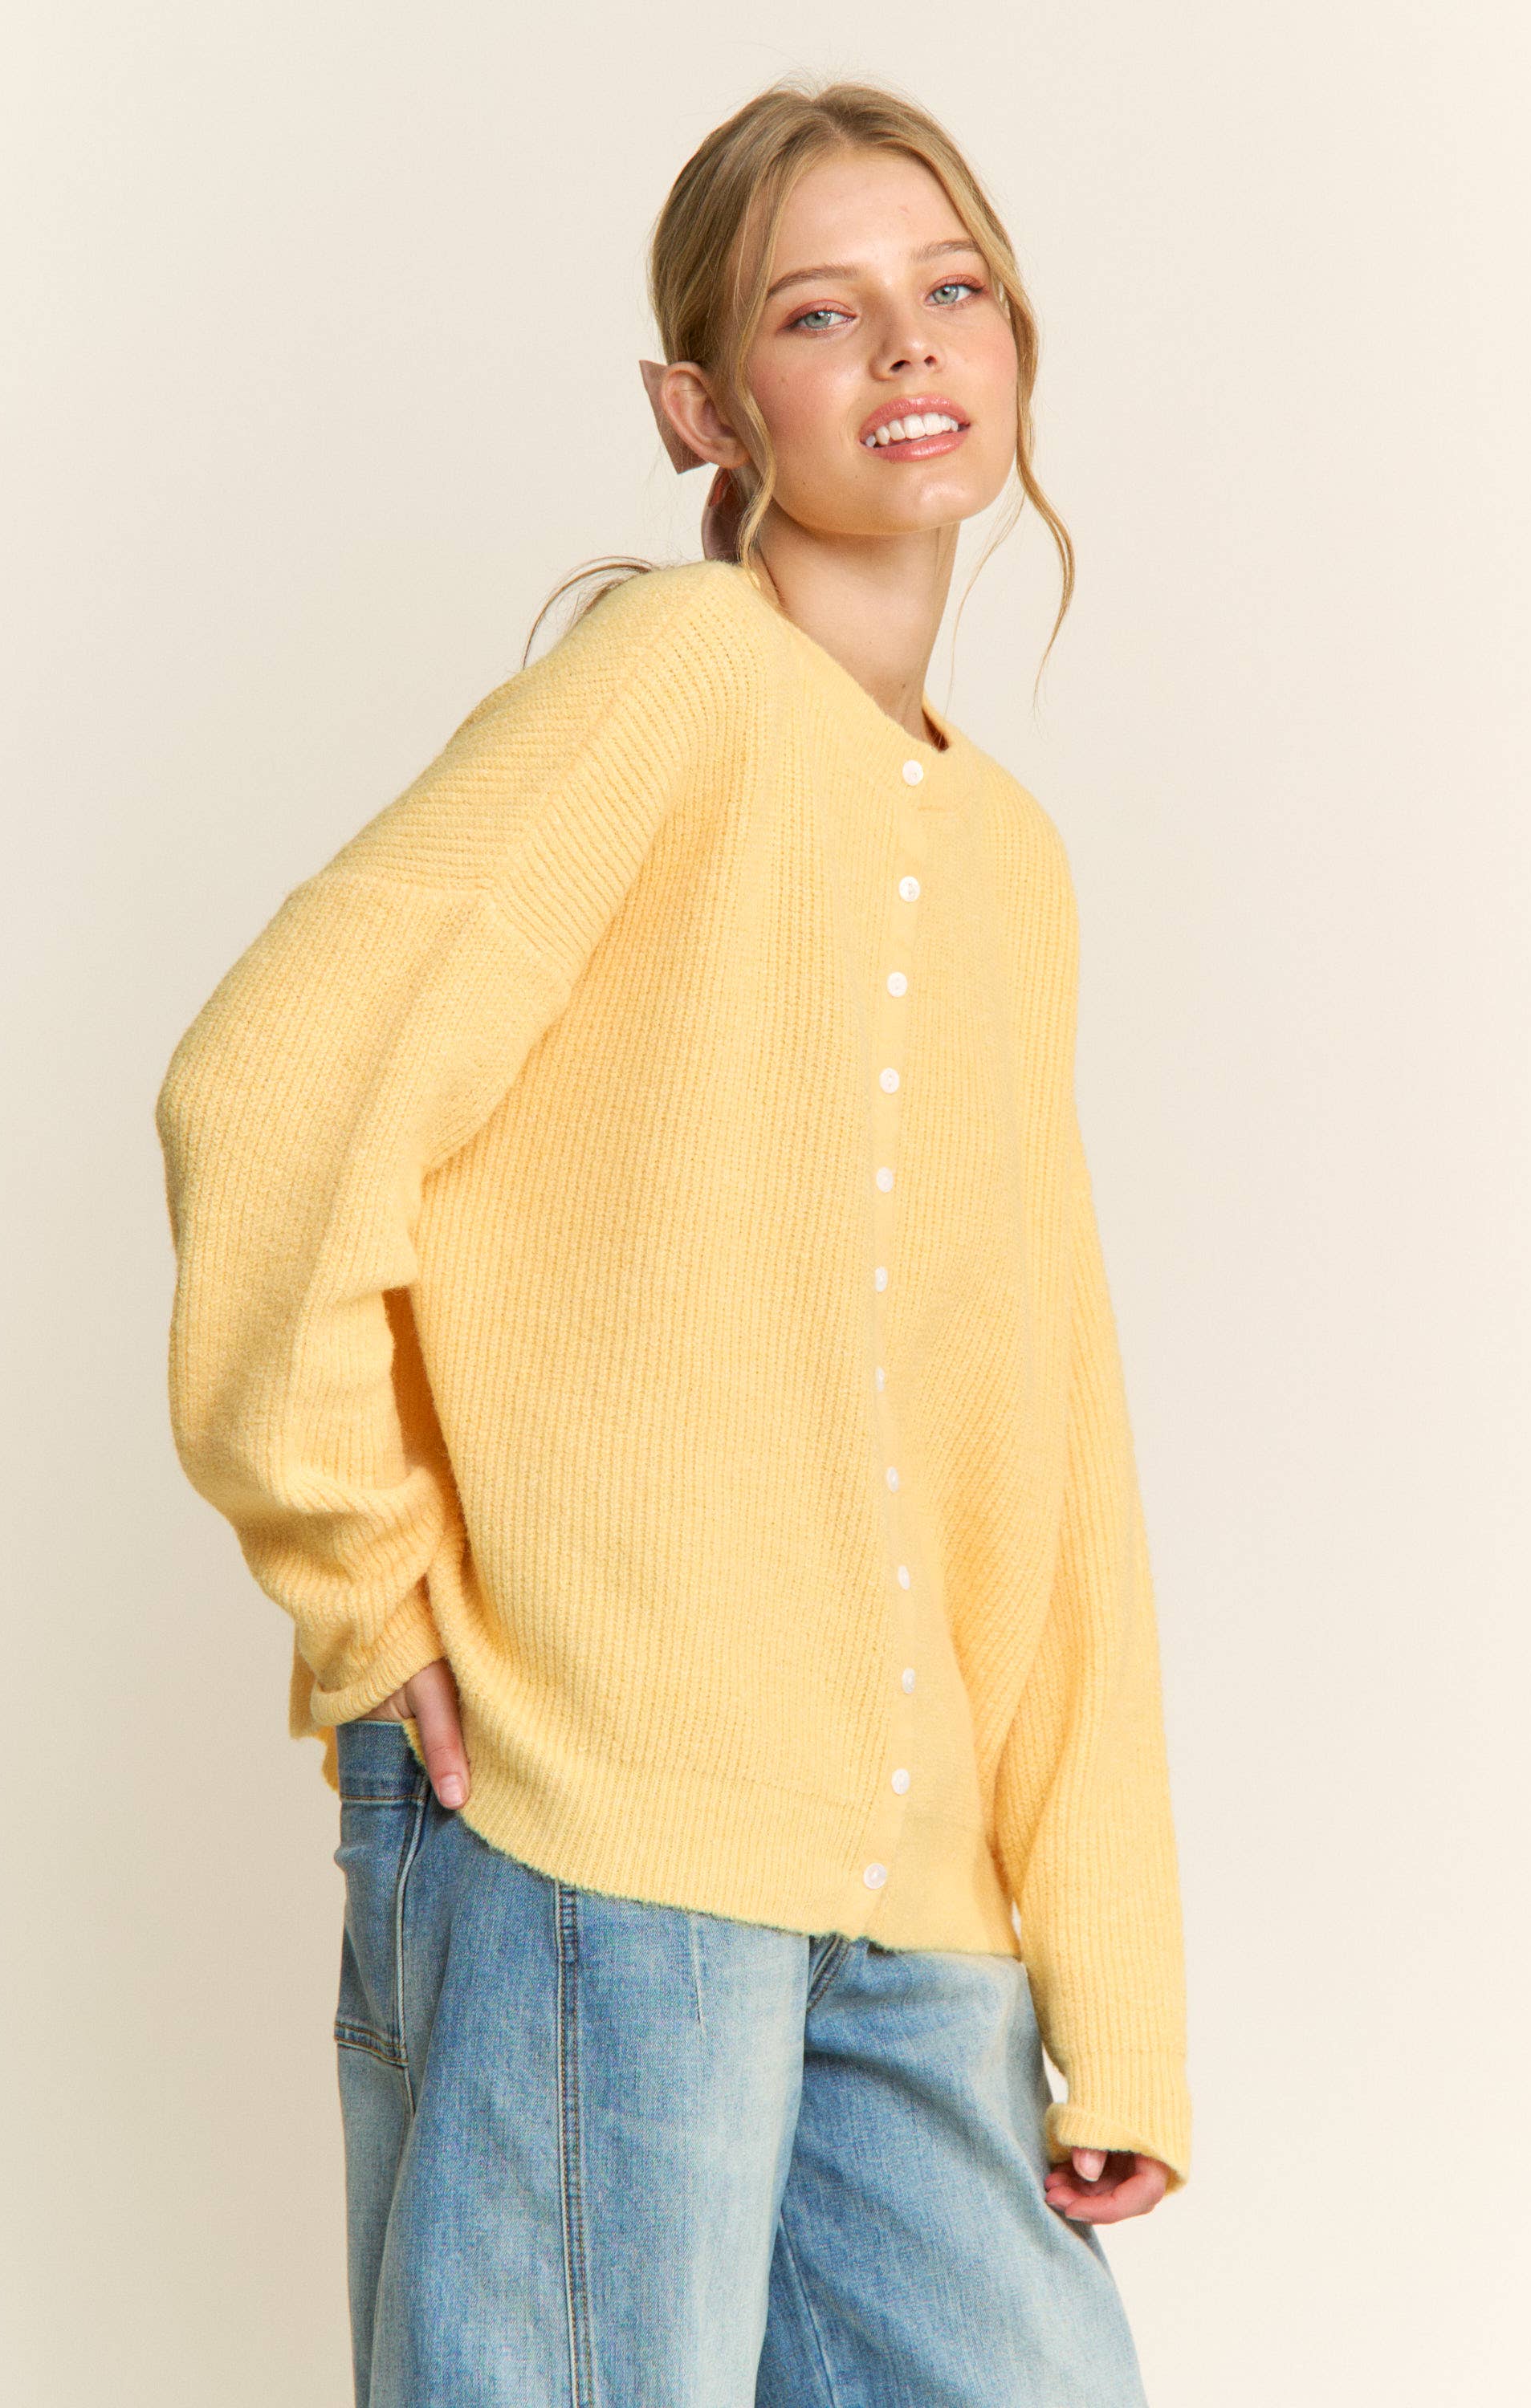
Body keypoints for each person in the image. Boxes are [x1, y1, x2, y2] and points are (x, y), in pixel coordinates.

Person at [155, 72, 1191, 2408]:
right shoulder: (670, 686)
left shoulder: (1009, 862)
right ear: (701, 407)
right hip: (598, 1825)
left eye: (950, 290)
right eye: (821, 313)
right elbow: (270, 1087)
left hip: (911, 1908)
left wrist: (1111, 1976)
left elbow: (1050, 1441)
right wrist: (367, 1585)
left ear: (1017, 343)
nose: (905, 346)